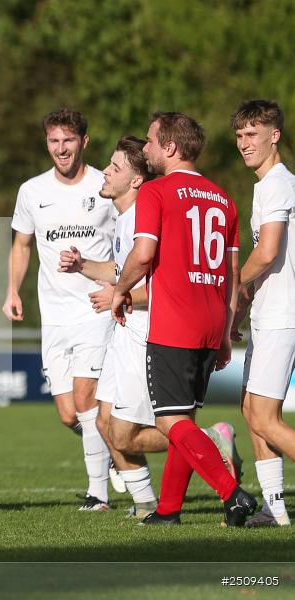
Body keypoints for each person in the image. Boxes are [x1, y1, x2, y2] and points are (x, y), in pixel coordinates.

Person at [60, 136, 241, 518]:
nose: (104, 172)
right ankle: (149, 505)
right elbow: (120, 268)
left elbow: (159, 281)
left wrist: (119, 295)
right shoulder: (126, 218)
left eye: (115, 167)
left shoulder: (151, 206)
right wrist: (85, 267)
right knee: (104, 420)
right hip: (125, 331)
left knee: (132, 430)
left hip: (148, 333)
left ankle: (210, 440)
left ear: (136, 180)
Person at [111, 112, 257, 526]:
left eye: (152, 142)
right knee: (185, 418)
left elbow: (142, 256)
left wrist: (120, 291)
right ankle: (169, 509)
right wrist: (227, 332)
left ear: (171, 147)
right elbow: (231, 276)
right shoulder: (223, 199)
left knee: (170, 421)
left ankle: (232, 494)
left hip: (175, 320)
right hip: (212, 322)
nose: (146, 149)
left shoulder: (156, 192)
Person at [3, 108, 116, 511]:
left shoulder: (109, 185)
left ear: (84, 142)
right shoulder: (32, 191)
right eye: (54, 141)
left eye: (68, 140)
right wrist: (12, 291)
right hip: (54, 316)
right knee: (69, 414)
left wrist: (122, 291)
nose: (61, 148)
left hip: (96, 311)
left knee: (86, 400)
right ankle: (113, 451)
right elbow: (21, 246)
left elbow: (134, 245)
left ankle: (97, 493)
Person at [229, 100, 295, 527]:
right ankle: (275, 508)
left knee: (264, 417)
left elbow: (268, 252)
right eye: (239, 136)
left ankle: (275, 507)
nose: (243, 143)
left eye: (252, 134)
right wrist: (244, 301)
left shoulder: (276, 183)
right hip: (270, 312)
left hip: (283, 316)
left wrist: (233, 286)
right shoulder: (267, 184)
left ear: (274, 135)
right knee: (251, 408)